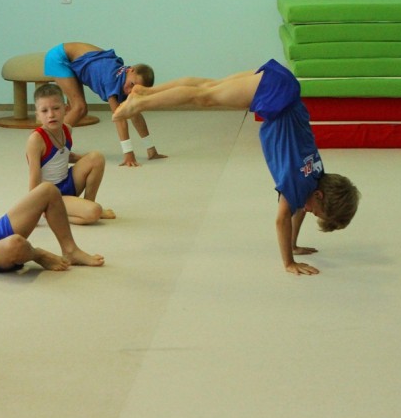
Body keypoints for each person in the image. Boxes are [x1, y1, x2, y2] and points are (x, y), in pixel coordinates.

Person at [113, 59, 361, 275]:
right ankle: (139, 105)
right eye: (316, 211)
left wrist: (294, 244)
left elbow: (299, 210)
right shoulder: (299, 185)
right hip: (275, 95)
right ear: (319, 195)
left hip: (283, 86)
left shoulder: (316, 174)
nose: (309, 211)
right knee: (204, 98)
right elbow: (282, 219)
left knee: (208, 86)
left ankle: (144, 92)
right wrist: (289, 262)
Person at [44, 42, 167, 167]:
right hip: (59, 57)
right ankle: (47, 146)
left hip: (81, 58)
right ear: (130, 70)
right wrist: (128, 153)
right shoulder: (111, 80)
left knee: (80, 108)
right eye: (132, 84)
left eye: (135, 90)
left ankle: (58, 146)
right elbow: (119, 118)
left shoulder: (126, 79)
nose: (130, 91)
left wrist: (151, 148)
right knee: (79, 108)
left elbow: (135, 113)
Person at [27, 83, 113, 225]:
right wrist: (32, 213)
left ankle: (88, 203)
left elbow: (64, 155)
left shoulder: (67, 129)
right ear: (38, 115)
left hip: (68, 183)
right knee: (94, 212)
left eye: (56, 108)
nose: (51, 115)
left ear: (66, 109)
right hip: (51, 195)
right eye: (44, 111)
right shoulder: (36, 140)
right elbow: (34, 177)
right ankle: (52, 214)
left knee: (97, 157)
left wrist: (89, 162)